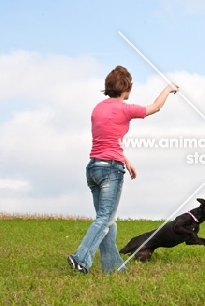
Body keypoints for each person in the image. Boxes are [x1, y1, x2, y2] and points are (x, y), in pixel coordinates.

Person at [67, 65, 178, 274]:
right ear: (127, 88)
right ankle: (80, 258)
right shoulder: (125, 109)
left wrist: (126, 159)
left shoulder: (97, 108)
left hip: (93, 168)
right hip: (110, 170)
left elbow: (107, 140)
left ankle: (112, 267)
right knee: (104, 219)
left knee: (108, 221)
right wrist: (168, 89)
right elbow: (154, 107)